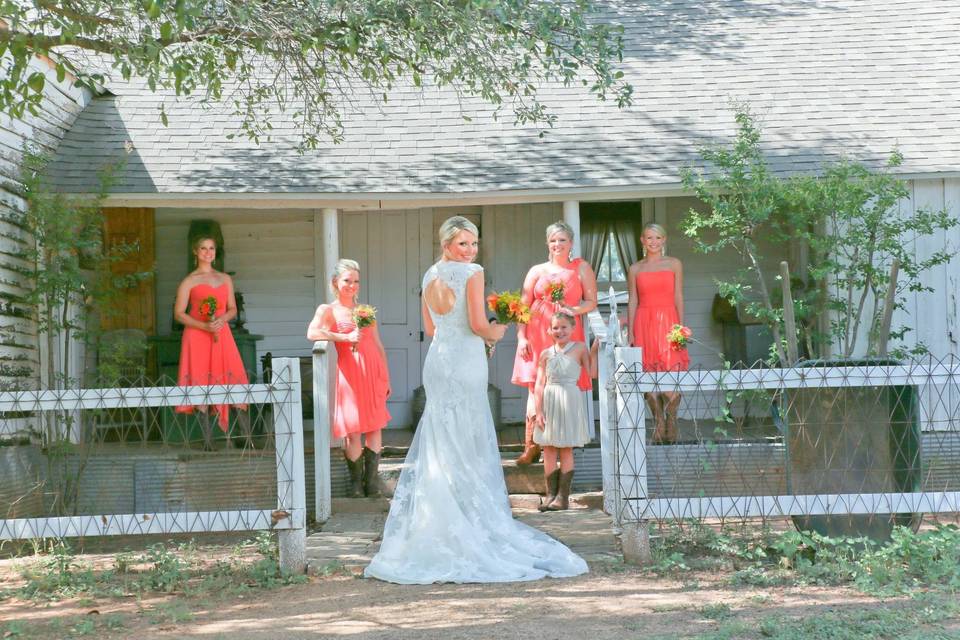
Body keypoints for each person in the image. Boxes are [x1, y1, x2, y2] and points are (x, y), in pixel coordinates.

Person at [365, 216, 588, 584]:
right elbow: (476, 324)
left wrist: (477, 331)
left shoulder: (428, 275)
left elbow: (432, 329)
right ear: (447, 244)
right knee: (467, 436)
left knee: (442, 437)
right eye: (463, 244)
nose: (470, 250)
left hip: (437, 359)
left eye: (474, 244)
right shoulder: (472, 272)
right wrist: (497, 330)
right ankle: (469, 521)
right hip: (465, 359)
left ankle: (441, 521)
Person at [511, 221, 597, 465]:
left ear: (571, 243)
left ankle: (559, 441)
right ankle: (532, 444)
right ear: (547, 243)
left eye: (562, 240)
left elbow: (591, 301)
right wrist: (521, 336)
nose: (557, 244)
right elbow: (523, 306)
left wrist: (572, 308)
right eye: (553, 240)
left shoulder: (581, 268)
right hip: (537, 331)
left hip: (566, 331)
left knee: (561, 386)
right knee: (535, 385)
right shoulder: (537, 270)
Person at [306, 259, 391, 498]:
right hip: (350, 375)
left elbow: (377, 343)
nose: (352, 285)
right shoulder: (328, 310)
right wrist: (343, 337)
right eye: (347, 281)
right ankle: (355, 484)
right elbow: (312, 333)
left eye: (355, 281)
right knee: (353, 429)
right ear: (335, 282)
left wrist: (386, 376)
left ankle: (371, 483)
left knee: (374, 427)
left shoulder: (364, 310)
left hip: (373, 372)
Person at [174, 235, 249, 450]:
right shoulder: (189, 281)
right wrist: (204, 325)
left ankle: (243, 436)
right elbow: (179, 313)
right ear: (195, 252)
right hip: (197, 335)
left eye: (212, 248)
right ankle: (207, 440)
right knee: (201, 380)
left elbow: (232, 308)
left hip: (221, 333)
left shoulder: (225, 278)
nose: (208, 252)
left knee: (234, 377)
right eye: (203, 248)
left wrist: (220, 321)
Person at [626, 222, 689, 444]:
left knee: (671, 369)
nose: (653, 242)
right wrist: (632, 331)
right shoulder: (635, 268)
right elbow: (633, 299)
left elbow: (678, 295)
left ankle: (672, 421)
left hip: (669, 321)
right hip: (644, 321)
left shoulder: (674, 264)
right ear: (642, 241)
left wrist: (680, 327)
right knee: (648, 371)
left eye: (658, 238)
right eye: (649, 238)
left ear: (664, 240)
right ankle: (658, 422)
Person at [533, 312, 595, 511]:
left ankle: (563, 497)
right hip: (550, 399)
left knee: (566, 447)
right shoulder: (545, 353)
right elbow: (539, 384)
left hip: (569, 398)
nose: (559, 331)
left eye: (564, 327)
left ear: (573, 328)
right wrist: (539, 411)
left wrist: (594, 350)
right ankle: (550, 495)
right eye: (555, 328)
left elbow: (592, 373)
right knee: (549, 448)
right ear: (549, 330)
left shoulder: (579, 349)